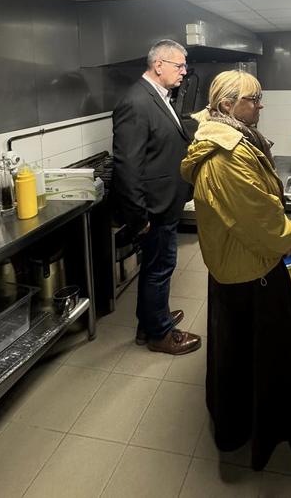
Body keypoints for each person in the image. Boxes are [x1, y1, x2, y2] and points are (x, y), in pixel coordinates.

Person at [181, 71, 291, 482]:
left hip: (234, 267)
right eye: (253, 99)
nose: (260, 105)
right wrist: (290, 236)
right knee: (282, 359)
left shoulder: (223, 136)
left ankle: (238, 427)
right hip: (253, 268)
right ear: (227, 105)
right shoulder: (227, 155)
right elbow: (258, 220)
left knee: (242, 355)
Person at [111, 39, 201, 356]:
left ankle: (150, 321)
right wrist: (140, 218)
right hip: (153, 207)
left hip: (165, 201)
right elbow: (127, 167)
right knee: (160, 267)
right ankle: (160, 333)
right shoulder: (136, 102)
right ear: (158, 65)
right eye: (180, 66)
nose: (184, 71)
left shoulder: (160, 96)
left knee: (156, 267)